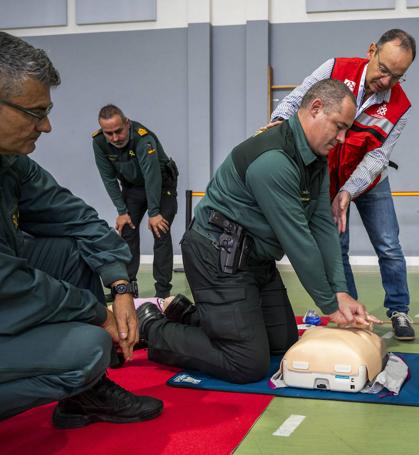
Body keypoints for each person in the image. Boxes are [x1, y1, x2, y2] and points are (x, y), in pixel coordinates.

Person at [137, 79, 379, 383]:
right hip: (217, 256)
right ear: (316, 108)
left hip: (253, 258)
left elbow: (321, 224)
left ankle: (189, 315)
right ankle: (151, 327)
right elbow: (299, 241)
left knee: (284, 345)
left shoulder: (315, 158)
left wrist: (340, 290)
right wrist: (330, 305)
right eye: (339, 127)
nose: (343, 139)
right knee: (246, 363)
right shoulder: (273, 161)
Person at [0, 32, 163, 427]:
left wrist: (121, 288)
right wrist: (95, 313)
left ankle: (82, 398)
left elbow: (81, 219)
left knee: (74, 251)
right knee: (89, 348)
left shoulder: (10, 163)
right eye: (36, 113)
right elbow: (8, 280)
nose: (48, 126)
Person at [267, 29, 417, 341]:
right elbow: (298, 99)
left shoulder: (401, 108)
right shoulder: (334, 68)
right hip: (329, 178)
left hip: (369, 181)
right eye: (384, 70)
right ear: (371, 50)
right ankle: (350, 311)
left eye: (398, 76)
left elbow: (378, 156)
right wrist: (277, 127)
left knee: (389, 246)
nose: (387, 81)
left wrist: (349, 191)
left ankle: (399, 309)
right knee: (339, 247)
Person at [92, 104, 178, 298]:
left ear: (127, 124)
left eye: (118, 131)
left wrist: (154, 213)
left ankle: (162, 293)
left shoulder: (143, 138)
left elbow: (152, 177)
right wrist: (122, 211)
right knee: (127, 229)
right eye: (109, 133)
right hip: (133, 187)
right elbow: (108, 178)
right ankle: (128, 289)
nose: (115, 138)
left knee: (160, 232)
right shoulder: (99, 142)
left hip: (162, 185)